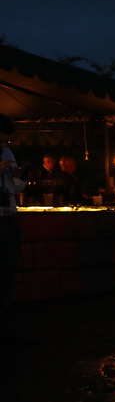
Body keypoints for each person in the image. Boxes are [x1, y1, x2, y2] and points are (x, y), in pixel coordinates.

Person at [0, 114, 26, 314]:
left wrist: (19, 177)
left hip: (8, 217)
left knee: (8, 272)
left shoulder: (7, 152)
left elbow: (15, 188)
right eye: (1, 140)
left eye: (7, 141)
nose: (4, 145)